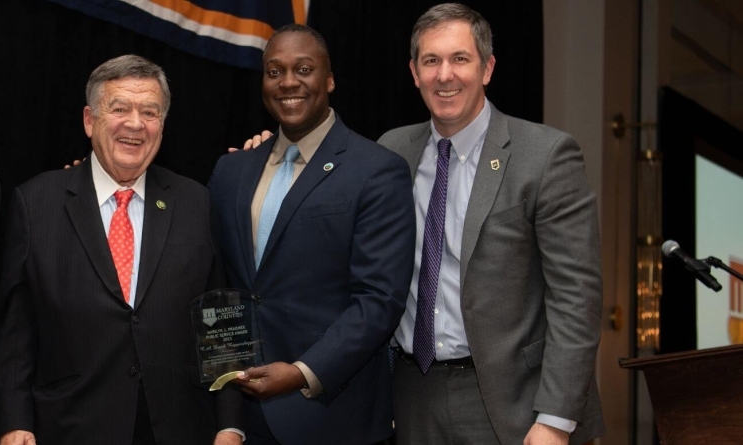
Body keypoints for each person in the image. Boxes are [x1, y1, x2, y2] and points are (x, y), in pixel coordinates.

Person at [376, 4, 605, 444]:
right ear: (414, 72)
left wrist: (555, 420)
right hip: (409, 394)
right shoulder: (391, 152)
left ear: (487, 68)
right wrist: (272, 161)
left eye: (460, 58)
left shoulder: (546, 155)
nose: (445, 75)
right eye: (431, 61)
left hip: (512, 404)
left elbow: (577, 298)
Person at [0, 54, 243, 445]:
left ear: (163, 125)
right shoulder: (35, 201)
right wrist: (14, 422)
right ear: (90, 120)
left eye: (150, 111)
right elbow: (16, 332)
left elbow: (220, 324)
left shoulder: (197, 203)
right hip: (69, 426)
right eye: (120, 108)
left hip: (179, 428)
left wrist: (229, 424)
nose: (135, 124)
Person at [209, 24, 415, 445]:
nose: (288, 82)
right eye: (274, 70)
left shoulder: (376, 170)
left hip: (331, 413)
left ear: (330, 79)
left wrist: (303, 372)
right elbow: (216, 281)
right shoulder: (231, 171)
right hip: (240, 416)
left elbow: (380, 299)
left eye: (304, 68)